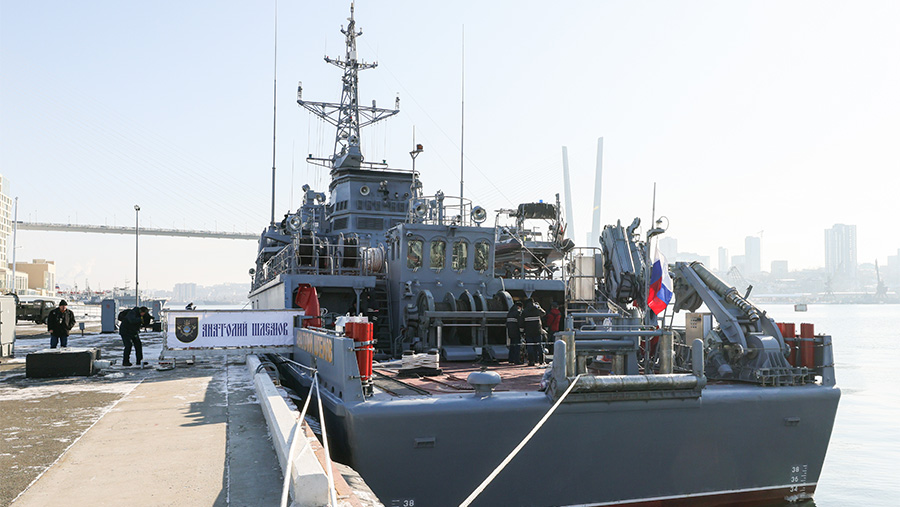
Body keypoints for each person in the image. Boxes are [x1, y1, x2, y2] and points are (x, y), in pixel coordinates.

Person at [520, 298, 546, 366]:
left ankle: (531, 361)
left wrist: (522, 331)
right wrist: (539, 307)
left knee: (530, 347)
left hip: (528, 332)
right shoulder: (536, 309)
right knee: (539, 346)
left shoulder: (524, 311)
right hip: (537, 331)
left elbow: (521, 322)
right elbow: (543, 313)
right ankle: (541, 361)